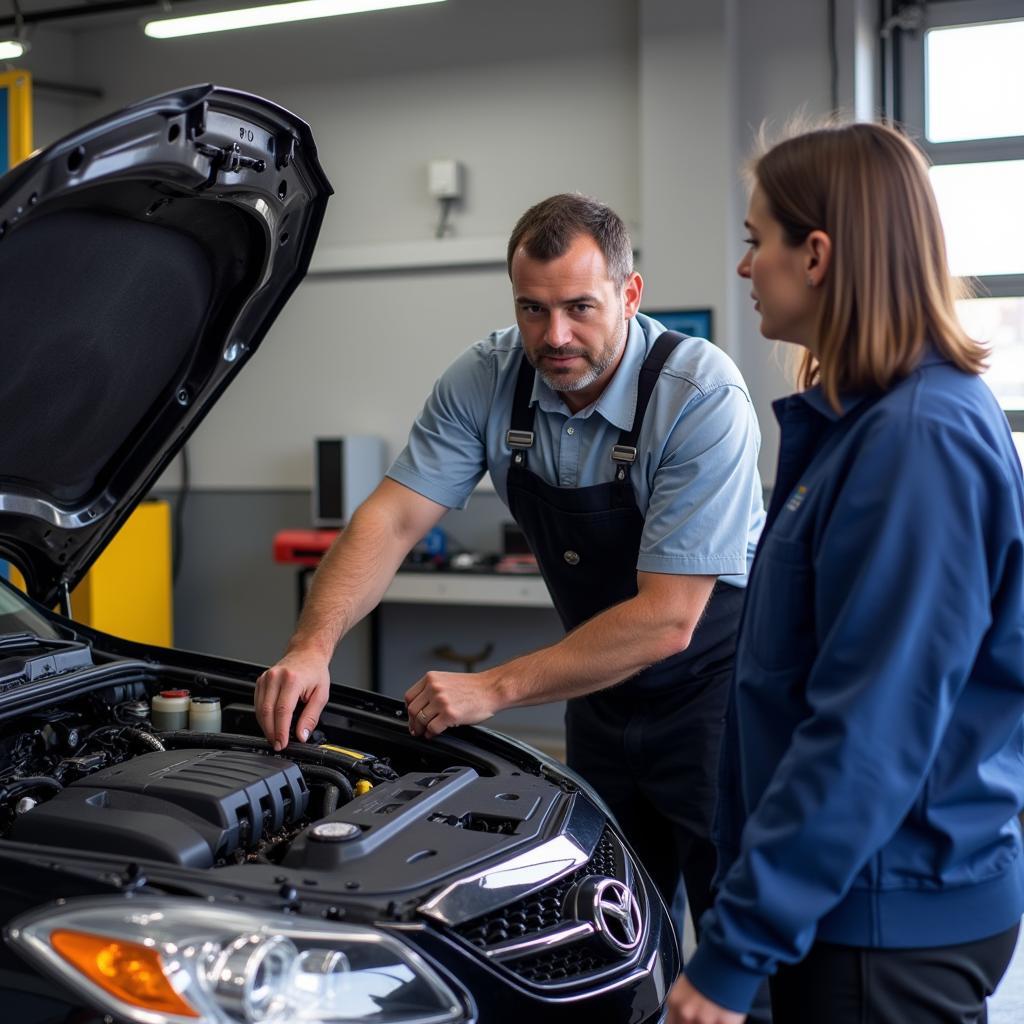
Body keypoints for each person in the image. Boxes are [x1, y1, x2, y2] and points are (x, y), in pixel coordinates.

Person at [256, 193, 765, 937]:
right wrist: (311, 646)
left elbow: (667, 618)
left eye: (580, 309)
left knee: (734, 940)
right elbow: (394, 517)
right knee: (607, 919)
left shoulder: (700, 395)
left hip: (717, 705)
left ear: (630, 295)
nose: (554, 335)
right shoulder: (487, 377)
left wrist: (493, 687)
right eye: (532, 310)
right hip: (599, 694)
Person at [667, 121, 1024, 1024]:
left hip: (883, 915)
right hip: (856, 895)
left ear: (816, 254)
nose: (746, 268)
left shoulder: (915, 443)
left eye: (758, 242)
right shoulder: (863, 425)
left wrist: (734, 951)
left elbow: (871, 725)